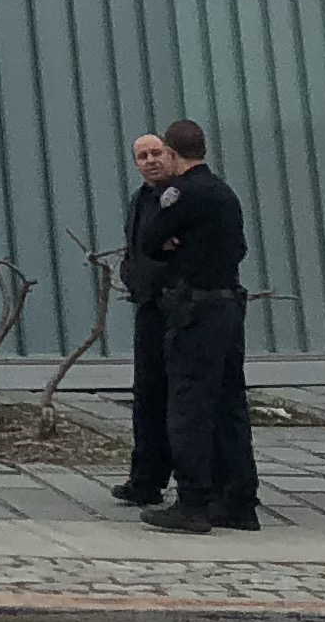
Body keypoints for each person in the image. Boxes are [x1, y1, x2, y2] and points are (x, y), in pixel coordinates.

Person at [132, 118, 258, 534]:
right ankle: (238, 500)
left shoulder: (180, 193)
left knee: (188, 407)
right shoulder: (224, 191)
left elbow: (149, 239)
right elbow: (238, 248)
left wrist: (173, 243)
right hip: (228, 306)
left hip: (195, 311)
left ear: (171, 152)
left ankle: (192, 502)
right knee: (229, 405)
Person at [108, 130, 181, 509]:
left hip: (175, 306)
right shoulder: (140, 199)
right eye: (142, 156)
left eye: (156, 153)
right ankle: (145, 478)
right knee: (147, 393)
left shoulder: (180, 198)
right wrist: (131, 275)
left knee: (179, 396)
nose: (150, 161)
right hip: (147, 305)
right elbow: (137, 249)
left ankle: (188, 478)